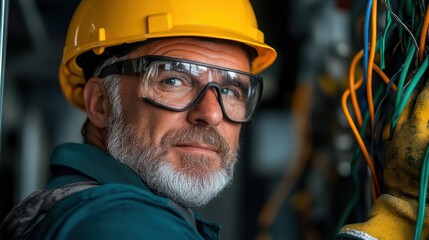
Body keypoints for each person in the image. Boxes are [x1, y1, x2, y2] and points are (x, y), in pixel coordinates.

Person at [0, 0, 277, 239]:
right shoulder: (121, 224)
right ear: (101, 103)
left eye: (230, 90)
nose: (212, 113)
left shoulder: (84, 213)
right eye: (173, 80)